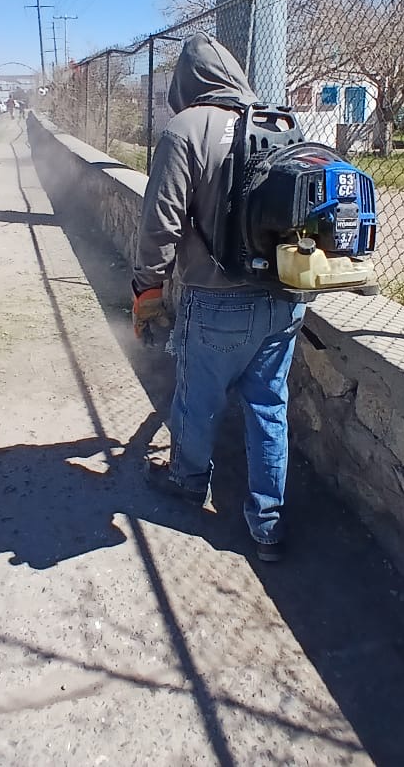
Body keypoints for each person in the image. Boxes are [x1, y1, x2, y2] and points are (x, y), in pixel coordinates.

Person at [131, 32, 307, 564]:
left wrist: (147, 291)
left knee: (197, 401)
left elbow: (160, 224)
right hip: (285, 298)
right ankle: (268, 527)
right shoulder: (279, 123)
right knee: (268, 408)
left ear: (186, 83)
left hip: (216, 301)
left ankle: (188, 481)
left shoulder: (185, 128)